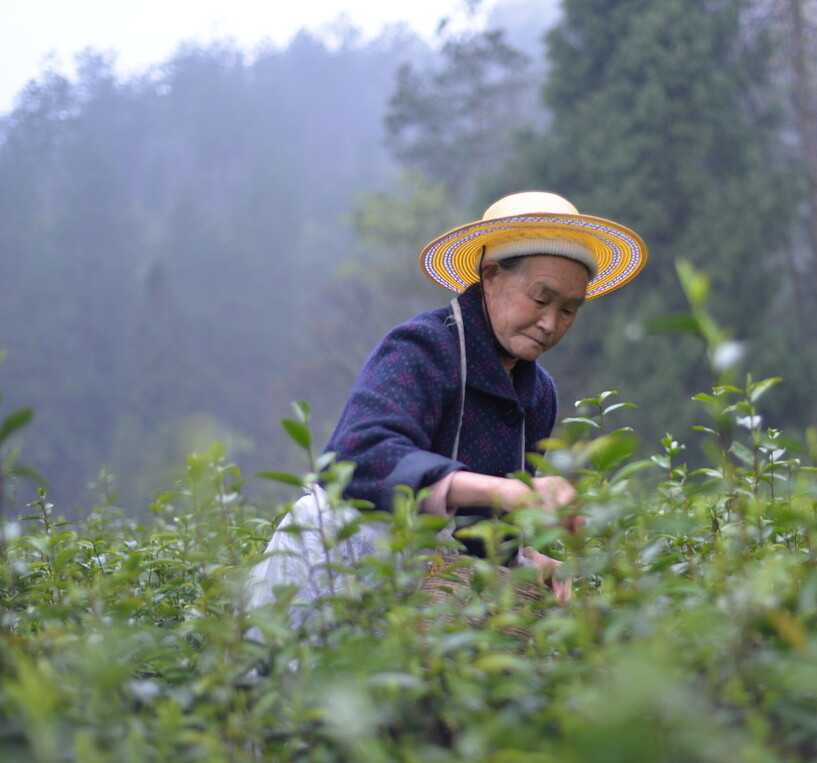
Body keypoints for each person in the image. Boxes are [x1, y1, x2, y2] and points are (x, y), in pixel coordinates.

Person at [246, 191, 647, 627]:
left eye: (568, 310)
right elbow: (361, 457)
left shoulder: (538, 394)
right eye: (539, 299)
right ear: (490, 274)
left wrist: (532, 559)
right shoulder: (422, 347)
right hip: (336, 573)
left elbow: (486, 536)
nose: (551, 323)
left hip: (432, 597)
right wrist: (509, 490)